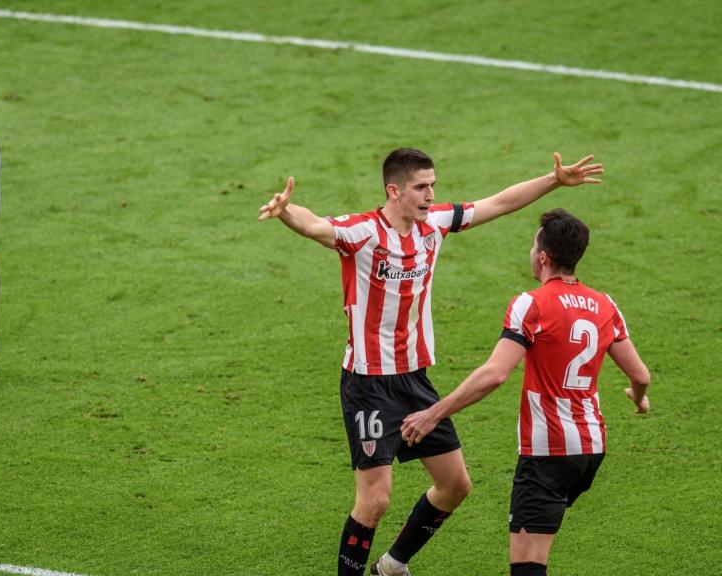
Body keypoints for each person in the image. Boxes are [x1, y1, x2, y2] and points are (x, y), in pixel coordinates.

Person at [257, 149, 603, 576]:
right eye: (421, 187)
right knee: (376, 499)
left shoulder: (435, 224)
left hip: (415, 381)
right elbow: (317, 225)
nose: (430, 194)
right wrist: (286, 210)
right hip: (368, 383)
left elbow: (497, 202)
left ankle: (393, 565)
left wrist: (554, 180)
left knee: (455, 486)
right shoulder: (363, 232)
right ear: (394, 190)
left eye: (432, 185)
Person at [400, 209, 651, 576]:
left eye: (534, 246)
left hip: (547, 452)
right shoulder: (605, 304)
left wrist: (434, 413)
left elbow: (495, 373)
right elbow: (640, 373)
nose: (531, 252)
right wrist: (638, 395)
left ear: (544, 257)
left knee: (528, 565)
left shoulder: (531, 304)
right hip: (590, 449)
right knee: (538, 545)